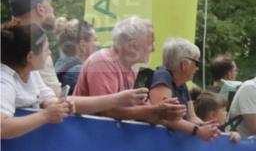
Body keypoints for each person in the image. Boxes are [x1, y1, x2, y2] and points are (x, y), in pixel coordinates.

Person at [1, 23, 148, 139]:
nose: (50, 53)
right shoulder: (5, 81)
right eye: (46, 50)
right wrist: (45, 116)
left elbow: (50, 100)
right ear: (30, 57)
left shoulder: (32, 74)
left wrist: (62, 105)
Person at [74, 16, 186, 124]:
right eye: (150, 43)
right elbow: (108, 111)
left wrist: (165, 112)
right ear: (132, 46)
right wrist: (156, 110)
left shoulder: (133, 71)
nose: (153, 49)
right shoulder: (102, 62)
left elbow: (145, 112)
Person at [148, 38, 221, 142]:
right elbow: (164, 116)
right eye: (196, 63)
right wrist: (198, 130)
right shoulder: (162, 75)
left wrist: (206, 126)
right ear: (184, 64)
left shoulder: (182, 84)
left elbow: (192, 118)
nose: (197, 68)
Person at [8, 0, 62, 91]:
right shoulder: (37, 49)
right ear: (40, 9)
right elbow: (56, 98)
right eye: (50, 5)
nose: (53, 10)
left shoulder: (7, 42)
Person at [54, 18, 99, 94]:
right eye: (95, 40)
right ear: (83, 45)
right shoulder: (79, 73)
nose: (98, 44)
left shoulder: (59, 65)